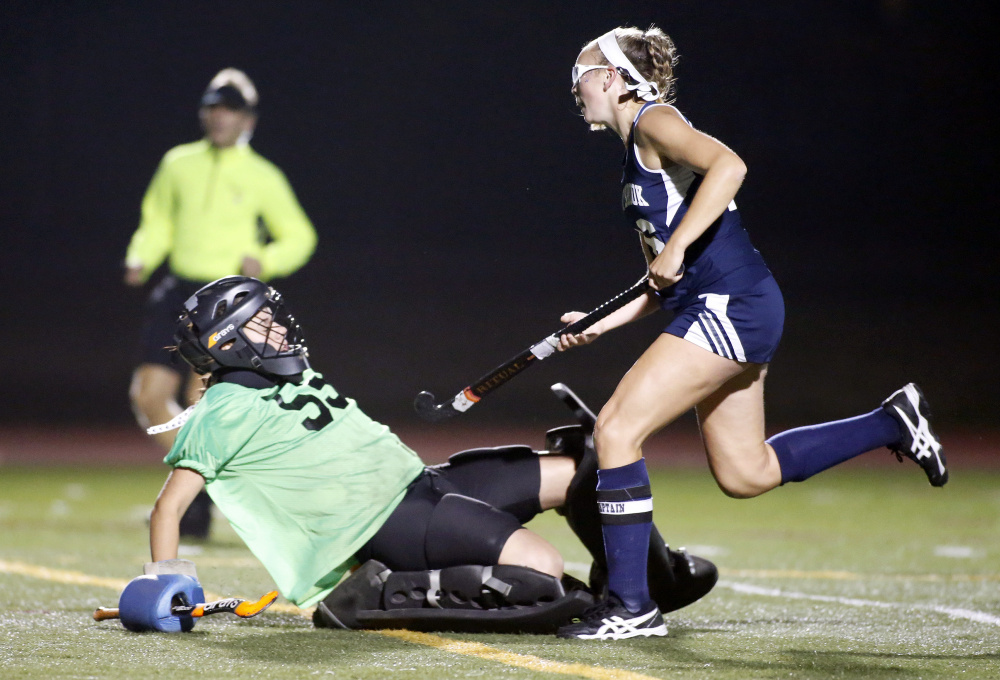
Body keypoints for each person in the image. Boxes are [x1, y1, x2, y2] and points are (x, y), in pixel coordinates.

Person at [554, 26, 948, 640]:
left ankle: (632, 607)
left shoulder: (655, 121)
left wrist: (678, 244)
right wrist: (599, 324)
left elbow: (729, 165)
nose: (574, 88)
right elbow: (664, 281)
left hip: (731, 304)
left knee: (616, 429)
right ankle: (891, 422)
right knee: (746, 474)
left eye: (580, 74)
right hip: (728, 304)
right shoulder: (636, 150)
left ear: (609, 77)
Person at [146, 276, 718, 631]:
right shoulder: (220, 412)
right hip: (390, 523)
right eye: (264, 324)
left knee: (581, 465)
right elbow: (170, 507)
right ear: (232, 342)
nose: (280, 330)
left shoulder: (276, 376)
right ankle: (374, 595)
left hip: (424, 484)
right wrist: (167, 584)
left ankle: (647, 583)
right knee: (542, 576)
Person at [124, 68, 317, 538]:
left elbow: (301, 236)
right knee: (147, 396)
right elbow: (157, 220)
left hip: (226, 301)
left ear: (247, 118)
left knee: (202, 404)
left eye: (229, 108)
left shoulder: (262, 175)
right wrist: (141, 256)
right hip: (177, 289)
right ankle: (204, 486)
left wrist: (266, 259)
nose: (219, 116)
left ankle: (193, 496)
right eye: (212, 107)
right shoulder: (178, 163)